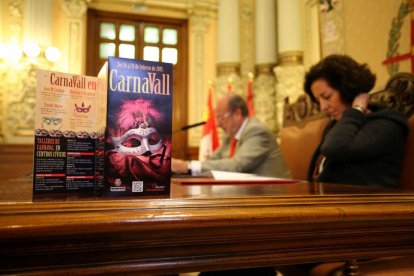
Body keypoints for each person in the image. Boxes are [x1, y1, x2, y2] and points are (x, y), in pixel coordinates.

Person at [304, 54, 408, 188]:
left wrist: (356, 109)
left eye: (327, 96)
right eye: (318, 101)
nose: (323, 107)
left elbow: (334, 148)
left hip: (365, 205)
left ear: (347, 88)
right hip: (330, 201)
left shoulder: (386, 124)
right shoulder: (339, 124)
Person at [172, 94, 290, 178]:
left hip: (273, 195)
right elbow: (213, 160)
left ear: (237, 114)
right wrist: (186, 167)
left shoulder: (256, 131)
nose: (217, 124)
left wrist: (187, 166)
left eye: (221, 117)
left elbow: (237, 165)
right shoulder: (231, 135)